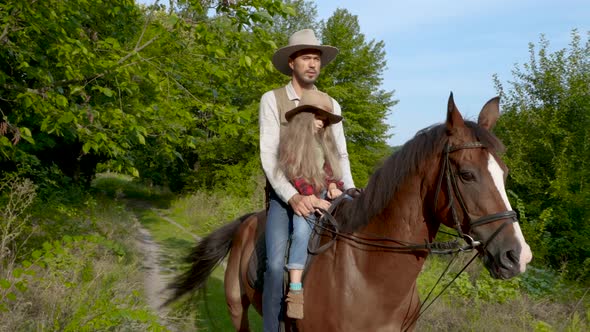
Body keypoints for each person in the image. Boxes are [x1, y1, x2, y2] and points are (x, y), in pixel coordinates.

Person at [259, 29, 355, 331]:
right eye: (305, 58)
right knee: (275, 265)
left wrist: (348, 190)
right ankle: (271, 328)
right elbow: (268, 155)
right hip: (284, 196)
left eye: (316, 58)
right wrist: (293, 197)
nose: (313, 64)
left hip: (325, 193)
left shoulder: (331, 104)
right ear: (291, 62)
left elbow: (339, 153)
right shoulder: (272, 100)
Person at [277, 89, 346, 320]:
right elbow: (295, 176)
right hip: (304, 194)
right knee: (301, 229)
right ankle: (295, 289)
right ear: (305, 116)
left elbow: (329, 171)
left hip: (324, 192)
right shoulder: (291, 144)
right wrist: (313, 198)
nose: (322, 123)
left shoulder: (323, 143)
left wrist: (335, 185)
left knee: (351, 211)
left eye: (325, 120)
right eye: (319, 118)